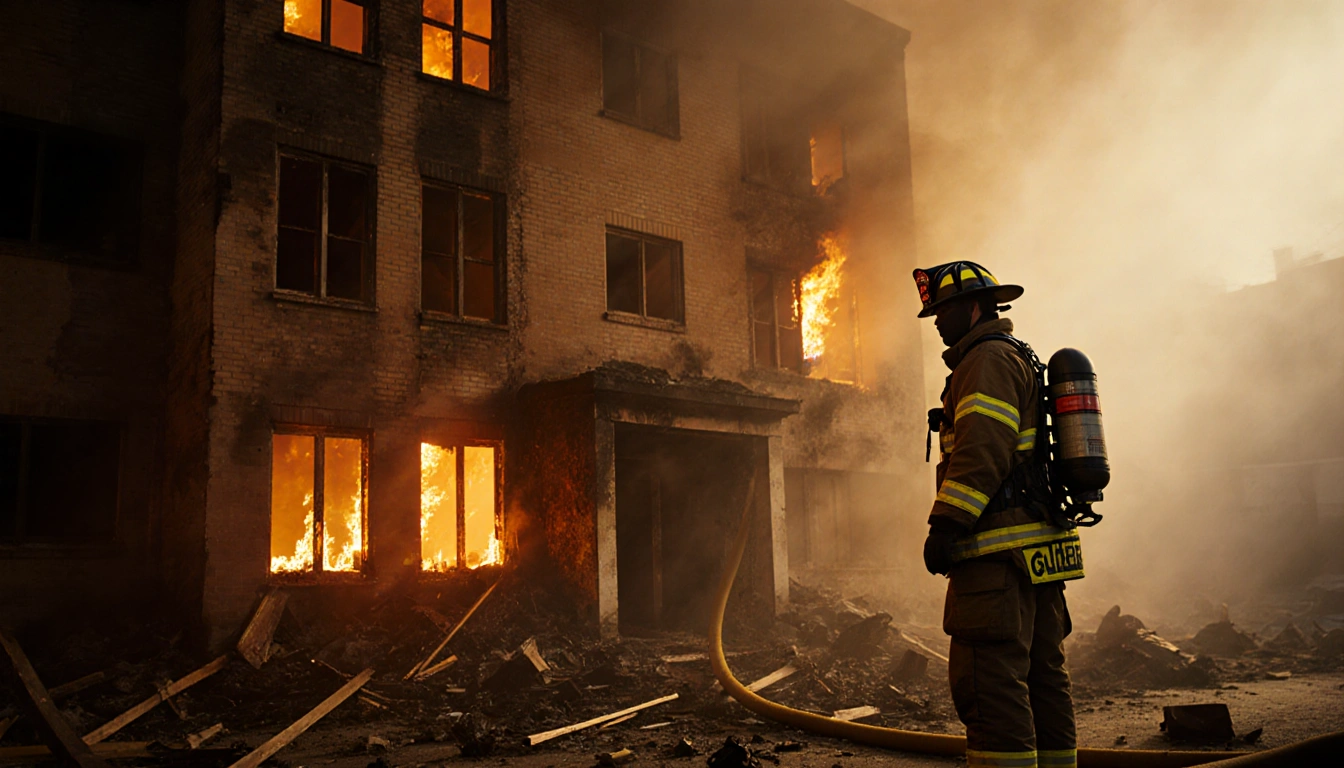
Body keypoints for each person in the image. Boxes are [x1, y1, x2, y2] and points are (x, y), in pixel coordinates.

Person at [913, 261, 1084, 768]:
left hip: (997, 558)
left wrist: (946, 523)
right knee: (1042, 679)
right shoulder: (1014, 357)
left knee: (990, 684)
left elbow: (982, 449)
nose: (938, 324)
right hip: (1037, 555)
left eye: (942, 312)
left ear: (973, 307)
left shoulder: (985, 360)